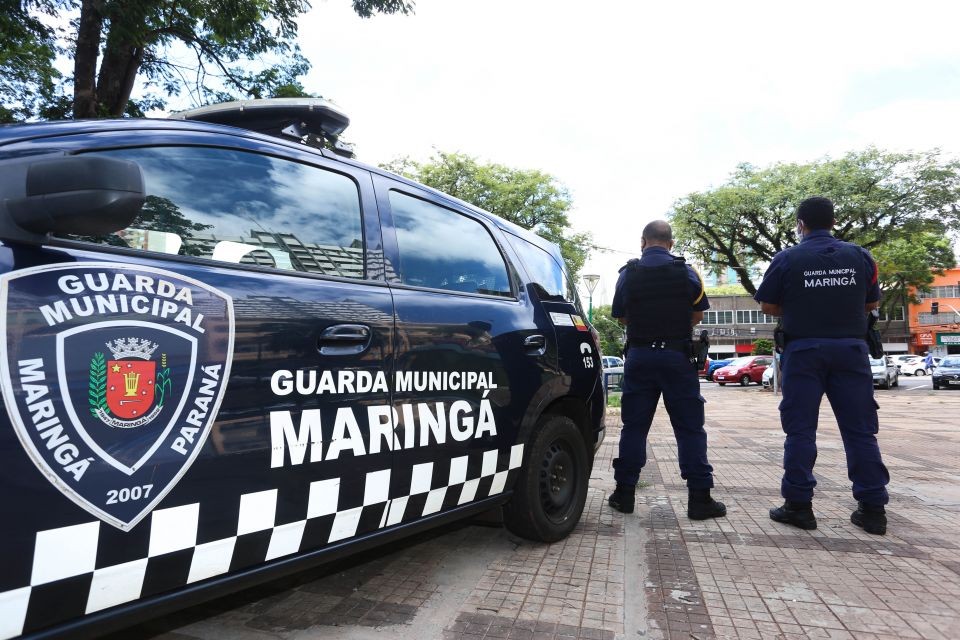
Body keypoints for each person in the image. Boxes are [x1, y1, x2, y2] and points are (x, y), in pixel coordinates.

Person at [755, 196, 890, 535]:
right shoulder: (860, 256)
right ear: (833, 221)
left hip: (804, 351)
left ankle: (799, 506)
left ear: (800, 224)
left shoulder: (787, 258)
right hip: (851, 350)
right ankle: (873, 509)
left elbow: (768, 305)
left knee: (800, 430)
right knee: (860, 430)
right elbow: (871, 301)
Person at [607, 220, 726, 519]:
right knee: (689, 429)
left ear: (643, 242)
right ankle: (700, 499)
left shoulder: (627, 274)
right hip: (677, 357)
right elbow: (697, 314)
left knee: (634, 427)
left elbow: (621, 316)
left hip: (640, 356)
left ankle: (624, 493)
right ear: (671, 243)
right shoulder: (687, 272)